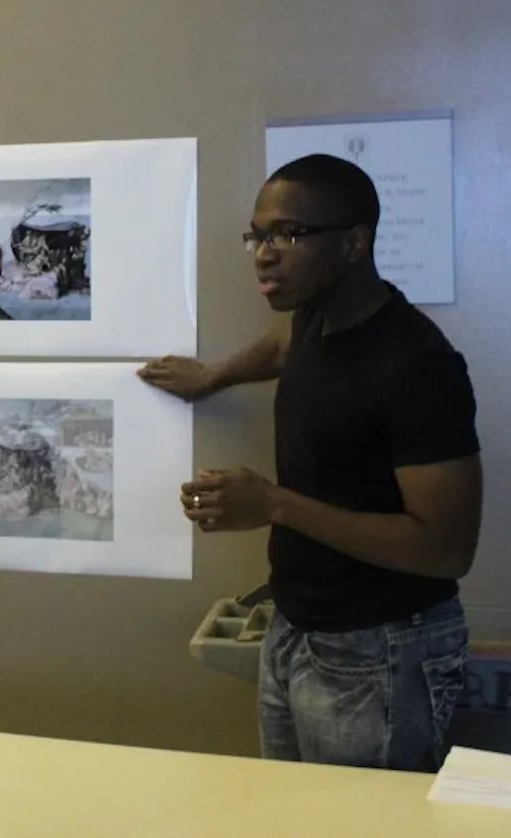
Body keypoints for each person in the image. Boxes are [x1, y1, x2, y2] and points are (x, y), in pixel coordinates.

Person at [139, 153, 481, 772]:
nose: (262, 254)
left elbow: (445, 548)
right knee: (295, 814)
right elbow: (284, 347)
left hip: (380, 646)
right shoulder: (317, 319)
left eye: (288, 235)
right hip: (296, 627)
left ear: (355, 243)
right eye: (258, 235)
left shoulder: (418, 367)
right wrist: (211, 377)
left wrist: (272, 504)